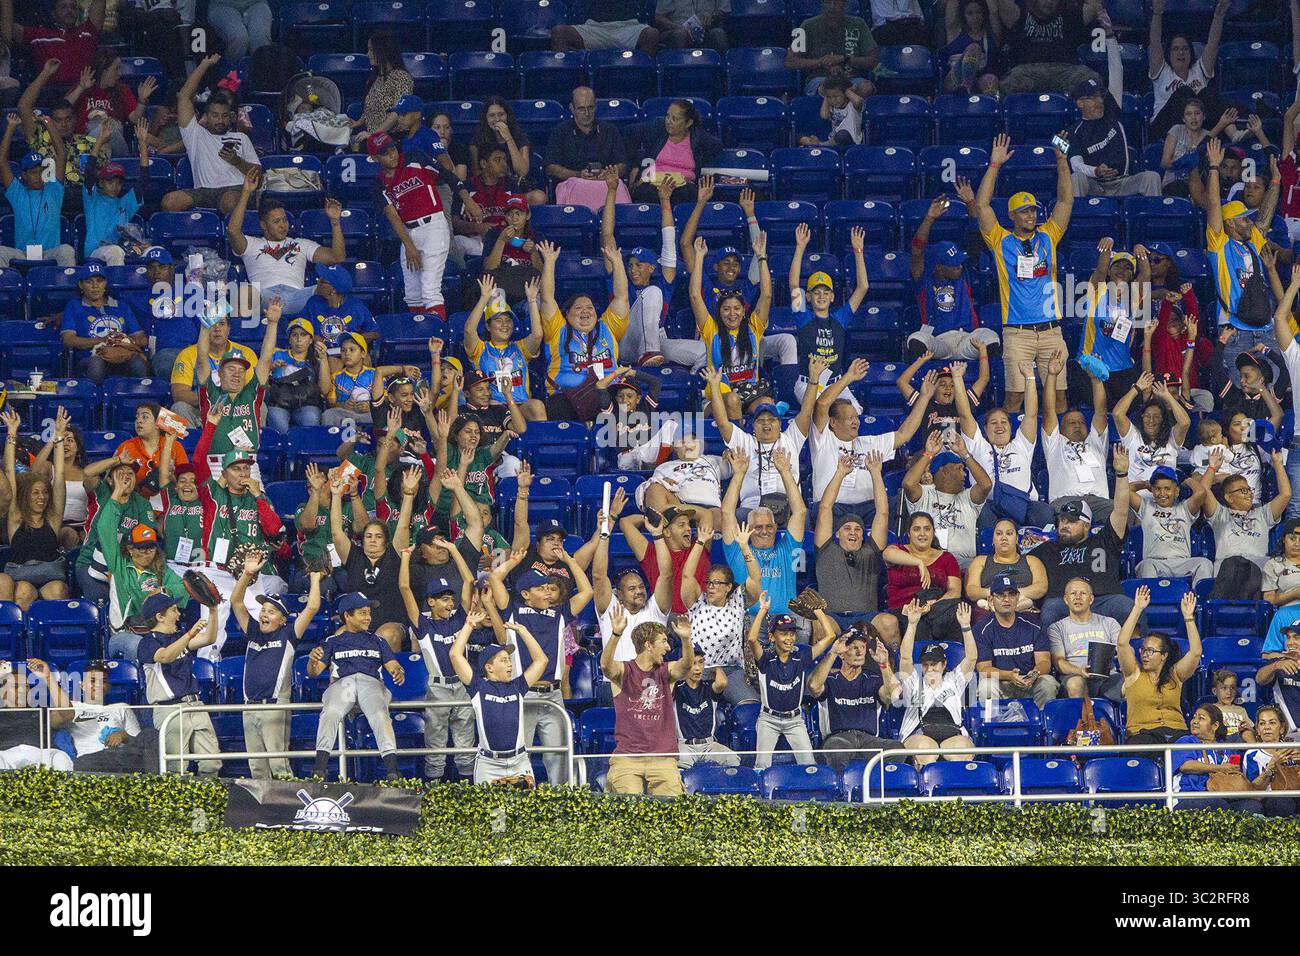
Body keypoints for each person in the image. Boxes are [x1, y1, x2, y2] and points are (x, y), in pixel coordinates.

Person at [975, 133, 1073, 412]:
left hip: (1052, 331)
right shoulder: (1000, 240)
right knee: (1015, 398)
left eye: (1032, 211)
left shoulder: (1048, 236)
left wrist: (1062, 161)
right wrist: (994, 166)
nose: (1031, 216)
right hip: (1017, 334)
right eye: (1023, 212)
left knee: (1060, 399)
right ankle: (1013, 454)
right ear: (1012, 217)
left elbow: (1065, 203)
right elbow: (982, 206)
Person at [489, 546, 594, 785]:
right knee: (516, 757)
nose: (548, 593)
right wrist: (513, 562)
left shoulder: (559, 613)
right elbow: (495, 577)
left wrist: (569, 560)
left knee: (558, 759)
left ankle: (557, 806)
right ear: (526, 594)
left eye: (549, 588)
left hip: (552, 695)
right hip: (522, 694)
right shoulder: (512, 610)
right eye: (541, 589)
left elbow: (587, 591)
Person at [231, 558, 324, 780]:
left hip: (274, 706)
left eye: (272, 612)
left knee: (279, 765)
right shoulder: (253, 631)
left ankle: (283, 813)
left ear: (283, 620)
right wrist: (246, 574)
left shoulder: (288, 635)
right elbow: (236, 602)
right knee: (256, 767)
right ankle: (261, 813)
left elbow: (312, 608)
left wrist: (314, 579)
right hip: (249, 707)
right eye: (263, 610)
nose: (264, 614)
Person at [398, 545, 479, 781]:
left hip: (463, 686)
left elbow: (469, 580)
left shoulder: (460, 619)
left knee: (465, 748)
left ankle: (466, 797)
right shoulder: (423, 625)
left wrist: (454, 549)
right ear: (430, 602)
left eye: (450, 599)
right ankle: (434, 796)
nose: (450, 604)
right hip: (438, 689)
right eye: (444, 600)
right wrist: (405, 558)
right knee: (435, 749)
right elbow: (404, 588)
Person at [1033, 443, 1132, 631]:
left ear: (1086, 525)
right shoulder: (1046, 550)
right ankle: (1051, 659)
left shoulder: (1104, 541)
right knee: (1051, 608)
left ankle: (1128, 656)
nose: (1064, 525)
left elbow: (1120, 511)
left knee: (1125, 605)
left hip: (1102, 600)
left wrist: (1121, 475)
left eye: (1071, 521)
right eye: (1061, 521)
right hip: (1064, 603)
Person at [94, 462, 188, 660]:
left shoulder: (161, 568)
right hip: (126, 635)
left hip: (158, 636)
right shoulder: (120, 566)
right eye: (141, 548)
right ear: (130, 549)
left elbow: (182, 591)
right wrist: (116, 495)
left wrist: (164, 593)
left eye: (151, 547)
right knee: (146, 647)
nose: (147, 552)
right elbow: (105, 528)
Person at [309, 592, 407, 780]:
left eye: (369, 613)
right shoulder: (332, 641)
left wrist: (398, 670)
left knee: (379, 714)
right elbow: (315, 671)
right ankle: (319, 769)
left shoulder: (378, 640)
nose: (368, 618)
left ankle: (392, 771)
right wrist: (312, 662)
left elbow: (392, 664)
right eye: (362, 613)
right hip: (343, 683)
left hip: (370, 682)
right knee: (330, 712)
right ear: (348, 615)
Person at [449, 608, 549, 785]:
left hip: (520, 761)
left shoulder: (518, 686)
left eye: (509, 660)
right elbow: (455, 654)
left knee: (527, 812)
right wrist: (469, 625)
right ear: (489, 667)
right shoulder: (478, 686)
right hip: (488, 763)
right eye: (503, 660)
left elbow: (541, 660)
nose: (510, 664)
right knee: (489, 813)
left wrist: (523, 632)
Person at [228, 170, 347, 316]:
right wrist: (246, 192)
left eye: (284, 219)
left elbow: (337, 258)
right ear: (264, 225)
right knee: (245, 291)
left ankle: (329, 333)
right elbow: (233, 230)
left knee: (331, 287)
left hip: (298, 296)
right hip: (265, 295)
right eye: (276, 221)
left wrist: (335, 221)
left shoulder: (302, 244)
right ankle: (243, 336)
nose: (283, 225)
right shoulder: (251, 244)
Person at [537, 238, 631, 420]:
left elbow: (622, 298)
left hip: (609, 394)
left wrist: (618, 263)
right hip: (566, 397)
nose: (585, 311)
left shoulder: (608, 326)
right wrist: (549, 263)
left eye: (589, 308)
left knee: (626, 402)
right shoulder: (558, 329)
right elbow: (547, 298)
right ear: (566, 314)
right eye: (578, 308)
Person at [603, 613, 696, 795]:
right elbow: (606, 667)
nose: (668, 647)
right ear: (648, 645)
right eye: (663, 641)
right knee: (628, 808)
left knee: (673, 811)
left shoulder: (665, 671)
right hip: (627, 759)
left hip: (663, 757)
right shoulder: (624, 671)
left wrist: (686, 640)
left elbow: (686, 666)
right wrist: (615, 635)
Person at [814, 450, 899, 643]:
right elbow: (825, 508)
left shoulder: (871, 550)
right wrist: (840, 473)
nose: (853, 532)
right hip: (833, 616)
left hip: (867, 616)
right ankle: (825, 672)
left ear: (863, 534)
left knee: (890, 622)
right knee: (820, 624)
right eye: (847, 528)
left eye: (858, 529)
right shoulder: (826, 549)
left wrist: (876, 473)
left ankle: (892, 670)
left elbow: (882, 514)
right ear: (837, 533)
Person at [1205, 136, 1272, 376]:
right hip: (1235, 330)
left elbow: (1264, 217)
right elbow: (1213, 204)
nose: (1249, 221)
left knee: (1271, 387)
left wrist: (1275, 182)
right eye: (1244, 218)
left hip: (1265, 328)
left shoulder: (1252, 242)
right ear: (1230, 223)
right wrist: (1214, 167)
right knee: (1239, 389)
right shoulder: (1220, 246)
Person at [161, 56, 259, 215]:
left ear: (231, 117)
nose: (220, 120)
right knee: (169, 201)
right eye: (215, 115)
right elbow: (184, 96)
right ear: (205, 116)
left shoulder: (242, 138)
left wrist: (237, 161)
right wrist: (204, 64)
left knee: (230, 202)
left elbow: (258, 175)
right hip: (204, 192)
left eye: (224, 116)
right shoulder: (195, 134)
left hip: (235, 189)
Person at [136, 592, 221, 775]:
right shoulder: (147, 642)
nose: (179, 615)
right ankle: (180, 804)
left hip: (195, 704)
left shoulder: (179, 637)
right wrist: (190, 634)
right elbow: (165, 656)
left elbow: (209, 638)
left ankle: (206, 802)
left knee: (212, 762)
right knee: (175, 770)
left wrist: (213, 610)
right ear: (160, 616)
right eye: (173, 610)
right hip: (169, 709)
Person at [747, 594, 835, 771]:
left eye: (792, 633)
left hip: (795, 720)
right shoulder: (766, 658)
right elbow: (751, 639)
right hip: (768, 719)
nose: (789, 638)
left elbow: (830, 636)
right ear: (772, 637)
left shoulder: (800, 656)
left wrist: (818, 612)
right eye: (784, 633)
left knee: (810, 766)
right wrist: (763, 610)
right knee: (761, 767)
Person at [721, 447, 807, 625]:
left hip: (787, 620)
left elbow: (800, 512)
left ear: (776, 527)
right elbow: (727, 513)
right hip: (748, 620)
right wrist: (738, 475)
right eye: (758, 527)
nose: (765, 530)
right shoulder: (737, 548)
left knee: (805, 624)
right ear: (749, 528)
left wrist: (785, 471)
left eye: (769, 526)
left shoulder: (787, 548)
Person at [681, 521, 761, 707]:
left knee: (750, 705)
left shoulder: (738, 601)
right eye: (709, 582)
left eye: (717, 583)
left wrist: (744, 547)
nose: (711, 587)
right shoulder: (696, 602)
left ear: (727, 587)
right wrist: (700, 542)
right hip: (699, 669)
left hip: (732, 670)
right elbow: (687, 576)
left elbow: (756, 578)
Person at [909, 199, 1001, 360]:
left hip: (967, 338)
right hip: (939, 341)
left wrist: (971, 202)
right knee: (916, 339)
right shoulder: (925, 280)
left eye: (959, 263)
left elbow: (975, 236)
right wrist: (929, 219)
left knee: (991, 337)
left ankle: (990, 377)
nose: (959, 266)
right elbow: (917, 250)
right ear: (939, 267)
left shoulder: (964, 274)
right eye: (953, 265)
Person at [31, 657, 158, 773]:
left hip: (124, 756)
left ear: (108, 686)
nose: (98, 685)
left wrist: (123, 735)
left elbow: (140, 742)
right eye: (93, 680)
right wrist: (48, 678)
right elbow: (65, 713)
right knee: (86, 763)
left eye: (103, 681)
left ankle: (157, 785)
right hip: (92, 761)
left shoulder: (121, 707)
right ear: (82, 686)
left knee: (150, 734)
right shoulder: (74, 706)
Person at [0, 407, 69, 611]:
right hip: (21, 575)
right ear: (25, 497)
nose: (42, 497)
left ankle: (56, 639)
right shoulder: (15, 517)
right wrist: (11, 434)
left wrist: (58, 437)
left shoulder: (53, 518)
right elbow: (10, 471)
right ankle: (24, 640)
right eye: (36, 493)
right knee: (22, 592)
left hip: (52, 576)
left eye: (44, 493)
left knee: (58, 591)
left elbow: (59, 477)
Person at [895, 599, 978, 767]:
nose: (930, 668)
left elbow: (971, 658)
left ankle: (957, 791)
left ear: (944, 664)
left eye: (934, 664)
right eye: (926, 664)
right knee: (927, 751)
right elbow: (905, 657)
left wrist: (966, 627)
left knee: (961, 752)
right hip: (918, 733)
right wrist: (912, 624)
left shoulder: (954, 679)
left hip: (952, 732)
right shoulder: (914, 681)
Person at [1117, 586, 1202, 745]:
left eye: (1150, 651)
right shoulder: (1133, 673)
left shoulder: (1175, 674)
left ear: (1164, 655)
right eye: (1143, 650)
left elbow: (1196, 652)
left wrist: (1188, 618)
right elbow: (1122, 644)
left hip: (1177, 733)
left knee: (1190, 748)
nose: (1144, 654)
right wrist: (1137, 609)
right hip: (1143, 735)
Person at [810, 623, 900, 773]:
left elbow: (891, 695)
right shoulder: (831, 679)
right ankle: (841, 792)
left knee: (896, 749)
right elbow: (813, 686)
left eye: (862, 647)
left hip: (869, 740)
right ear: (842, 652)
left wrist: (884, 665)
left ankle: (876, 787)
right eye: (853, 647)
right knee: (836, 749)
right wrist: (832, 653)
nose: (859, 652)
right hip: (840, 738)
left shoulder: (873, 679)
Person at [1201, 448, 1290, 597]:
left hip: (1257, 564)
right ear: (1229, 497)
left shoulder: (1262, 514)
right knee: (1229, 565)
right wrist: (1212, 468)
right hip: (1227, 565)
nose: (1249, 493)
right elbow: (1203, 490)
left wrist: (1277, 464)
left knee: (1272, 566)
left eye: (1249, 490)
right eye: (1243, 491)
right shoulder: (1220, 514)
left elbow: (1286, 494)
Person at [902, 430, 992, 570]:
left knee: (979, 567)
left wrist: (965, 454)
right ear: (943, 471)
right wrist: (929, 454)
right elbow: (908, 483)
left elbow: (986, 485)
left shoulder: (968, 497)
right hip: (929, 560)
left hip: (963, 564)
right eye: (959, 468)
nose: (964, 473)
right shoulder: (925, 493)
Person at [789, 223, 869, 378]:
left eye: (826, 292)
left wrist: (858, 251)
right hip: (807, 382)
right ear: (808, 297)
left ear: (832, 297)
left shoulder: (840, 318)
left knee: (851, 404)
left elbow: (863, 287)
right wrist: (800, 247)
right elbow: (793, 284)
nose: (821, 296)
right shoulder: (803, 317)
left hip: (836, 383)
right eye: (816, 292)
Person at [1041, 355, 1112, 520]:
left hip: (1099, 503)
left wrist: (1096, 379)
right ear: (1061, 428)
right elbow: (1049, 410)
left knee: (1125, 513)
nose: (1078, 425)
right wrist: (1052, 376)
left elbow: (1101, 410)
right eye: (1071, 423)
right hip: (1066, 501)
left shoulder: (1096, 442)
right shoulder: (1055, 444)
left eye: (1081, 422)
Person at [0, 114, 75, 267]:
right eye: (34, 172)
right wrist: (11, 127)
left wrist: (48, 123)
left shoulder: (54, 190)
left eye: (42, 171)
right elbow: (2, 160)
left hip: (49, 253)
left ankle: (66, 291)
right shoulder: (17, 193)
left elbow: (61, 154)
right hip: (22, 253)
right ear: (24, 175)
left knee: (66, 250)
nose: (39, 176)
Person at [1067, 79, 1162, 198]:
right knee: (1077, 178)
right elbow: (1075, 164)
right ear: (1080, 103)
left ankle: (1155, 216)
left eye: (1101, 96)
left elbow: (1116, 71)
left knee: (1151, 177)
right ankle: (1079, 216)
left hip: (1123, 182)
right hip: (1096, 185)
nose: (1100, 101)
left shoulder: (1112, 115)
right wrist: (1096, 171)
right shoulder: (1073, 132)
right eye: (1093, 97)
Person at [974, 574, 1058, 707]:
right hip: (1002, 682)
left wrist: (1035, 673)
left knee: (1048, 682)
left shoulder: (1034, 624)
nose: (1007, 599)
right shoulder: (982, 628)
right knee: (986, 685)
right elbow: (984, 669)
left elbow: (1044, 662)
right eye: (1000, 595)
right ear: (990, 599)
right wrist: (1009, 676)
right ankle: (992, 725)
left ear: (1018, 597)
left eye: (1011, 594)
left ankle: (1045, 726)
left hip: (1030, 682)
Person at [1147, 0, 1228, 136]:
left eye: (1185, 49)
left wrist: (1219, 16)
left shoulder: (1198, 71)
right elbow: (1154, 42)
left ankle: (1234, 132)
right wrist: (1157, 13)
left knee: (1207, 92)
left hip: (1198, 127)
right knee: (1184, 92)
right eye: (1176, 49)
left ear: (1191, 53)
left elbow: (1212, 44)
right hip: (1164, 128)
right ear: (1169, 54)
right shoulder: (1162, 71)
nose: (1181, 53)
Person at [59, 262, 149, 383]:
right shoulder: (74, 306)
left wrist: (121, 340)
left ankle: (138, 400)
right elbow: (68, 339)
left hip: (121, 355)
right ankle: (95, 401)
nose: (95, 286)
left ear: (105, 283)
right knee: (97, 364)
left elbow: (141, 338)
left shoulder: (121, 306)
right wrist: (102, 340)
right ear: (81, 285)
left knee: (138, 363)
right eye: (89, 282)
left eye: (99, 281)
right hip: (90, 357)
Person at [883, 510, 964, 643]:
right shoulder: (899, 550)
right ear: (909, 533)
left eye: (927, 529)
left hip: (936, 610)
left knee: (957, 611)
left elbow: (955, 591)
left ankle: (956, 659)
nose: (922, 534)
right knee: (919, 626)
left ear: (933, 532)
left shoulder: (947, 558)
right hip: (904, 610)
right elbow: (887, 554)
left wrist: (933, 606)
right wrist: (918, 563)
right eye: (916, 529)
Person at [546, 86, 629, 210]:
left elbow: (623, 164)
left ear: (596, 106)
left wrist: (608, 173)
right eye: (581, 109)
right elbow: (551, 167)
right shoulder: (560, 131)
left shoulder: (610, 130)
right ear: (572, 108)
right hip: (574, 183)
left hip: (606, 182)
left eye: (590, 108)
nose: (587, 113)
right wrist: (578, 174)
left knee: (620, 185)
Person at [1170, 703, 1264, 813]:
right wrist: (1220, 768)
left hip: (1223, 797)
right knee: (1217, 804)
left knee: (1252, 806)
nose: (1195, 721)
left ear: (1215, 725)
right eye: (1194, 717)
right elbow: (1186, 766)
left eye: (1201, 718)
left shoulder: (1225, 746)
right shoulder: (1186, 741)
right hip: (1189, 797)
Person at [81, 121, 150, 266]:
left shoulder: (125, 202)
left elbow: (143, 180)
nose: (115, 186)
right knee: (115, 251)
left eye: (118, 183)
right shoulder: (92, 199)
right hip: (94, 252)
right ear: (101, 183)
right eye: (110, 182)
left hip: (118, 250)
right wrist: (100, 140)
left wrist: (143, 143)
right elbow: (89, 172)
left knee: (151, 251)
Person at [1129, 465, 1213, 585]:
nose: (1162, 493)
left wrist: (1185, 479)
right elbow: (1126, 490)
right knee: (1146, 565)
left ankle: (1196, 602)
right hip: (1155, 562)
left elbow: (1201, 492)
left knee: (1205, 563)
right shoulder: (1146, 507)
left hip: (1182, 562)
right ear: (1152, 490)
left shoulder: (1184, 509)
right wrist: (1145, 484)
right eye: (1157, 489)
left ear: (1177, 491)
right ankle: (1150, 603)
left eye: (1167, 489)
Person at [168, 314, 257, 427]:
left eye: (222, 323)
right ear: (204, 329)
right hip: (200, 411)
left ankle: (251, 444)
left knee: (260, 406)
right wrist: (210, 399)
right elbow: (179, 394)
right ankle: (193, 444)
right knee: (178, 407)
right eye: (211, 324)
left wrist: (227, 403)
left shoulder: (246, 353)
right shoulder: (187, 354)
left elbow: (253, 391)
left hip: (236, 412)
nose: (217, 328)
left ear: (228, 329)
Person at [995, 0, 1100, 95]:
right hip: (1028, 71)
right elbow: (1004, 4)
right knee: (1008, 83)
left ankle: (1070, 109)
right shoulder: (1019, 13)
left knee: (1092, 79)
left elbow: (1093, 5)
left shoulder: (1070, 14)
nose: (1050, 2)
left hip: (1065, 70)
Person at [627, 99, 721, 205]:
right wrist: (634, 165)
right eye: (667, 116)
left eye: (674, 119)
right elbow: (627, 134)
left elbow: (717, 147)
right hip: (653, 184)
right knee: (644, 191)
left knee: (690, 193)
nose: (668, 121)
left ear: (688, 123)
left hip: (683, 188)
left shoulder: (698, 138)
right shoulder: (657, 127)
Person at [64, 48, 153, 156]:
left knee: (112, 127)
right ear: (104, 71)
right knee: (105, 127)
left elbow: (135, 119)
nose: (119, 74)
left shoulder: (122, 90)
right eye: (116, 69)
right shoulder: (83, 88)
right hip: (84, 145)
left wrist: (142, 101)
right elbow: (62, 108)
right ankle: (126, 162)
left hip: (112, 145)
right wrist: (80, 88)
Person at [1048, 576, 1123, 702]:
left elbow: (1124, 650)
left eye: (1083, 593)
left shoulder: (1109, 623)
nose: (1078, 597)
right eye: (1073, 593)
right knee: (1075, 684)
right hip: (1074, 675)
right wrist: (1080, 671)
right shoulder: (1057, 628)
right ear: (1066, 599)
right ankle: (1084, 721)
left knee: (1130, 683)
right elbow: (1059, 662)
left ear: (1091, 599)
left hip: (1108, 675)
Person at [0, 0, 103, 89]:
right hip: (49, 94)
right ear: (53, 13)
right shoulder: (38, 35)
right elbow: (7, 28)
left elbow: (100, 3)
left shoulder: (87, 33)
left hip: (83, 91)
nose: (69, 10)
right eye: (64, 7)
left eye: (73, 7)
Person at [785, 0, 878, 97]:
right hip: (820, 79)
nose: (832, 7)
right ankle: (847, 97)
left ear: (845, 4)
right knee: (828, 87)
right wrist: (820, 62)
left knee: (866, 88)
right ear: (822, 3)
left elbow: (873, 61)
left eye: (836, 2)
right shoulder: (806, 25)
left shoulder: (859, 24)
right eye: (828, 2)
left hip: (852, 78)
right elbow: (790, 61)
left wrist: (845, 59)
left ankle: (845, 98)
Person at [1112, 372, 1190, 488]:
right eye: (1147, 416)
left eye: (1157, 416)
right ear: (1141, 417)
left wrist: (1167, 396)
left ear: (1163, 420)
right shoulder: (1133, 436)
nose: (1151, 420)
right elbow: (1117, 413)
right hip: (1136, 499)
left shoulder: (1171, 439)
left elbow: (1185, 423)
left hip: (1165, 499)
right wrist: (1137, 388)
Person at [469, 98, 546, 208]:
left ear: (507, 116)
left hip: (516, 189)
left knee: (539, 197)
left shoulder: (520, 138)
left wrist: (508, 137)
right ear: (485, 119)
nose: (497, 119)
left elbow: (522, 171)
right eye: (492, 116)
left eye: (501, 114)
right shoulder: (477, 141)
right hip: (489, 191)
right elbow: (476, 173)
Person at [674, 645, 740, 769]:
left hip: (709, 744)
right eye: (692, 663)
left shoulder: (707, 687)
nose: (698, 668)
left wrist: (716, 667)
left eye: (701, 662)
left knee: (732, 759)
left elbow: (722, 682)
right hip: (685, 746)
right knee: (679, 764)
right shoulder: (677, 688)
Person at [965, 517, 1049, 611]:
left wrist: (1011, 594)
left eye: (1009, 533)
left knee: (1026, 603)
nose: (1004, 538)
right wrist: (997, 594)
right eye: (999, 533)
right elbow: (971, 591)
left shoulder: (1032, 561)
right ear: (993, 539)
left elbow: (1041, 588)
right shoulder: (980, 561)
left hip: (1023, 609)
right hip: (989, 610)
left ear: (1017, 539)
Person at [1272, 266, 1300, 518]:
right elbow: (1280, 318)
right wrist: (1295, 284)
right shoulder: (1297, 356)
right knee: (1295, 513)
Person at [352, 32, 413, 147]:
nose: (368, 54)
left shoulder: (401, 77)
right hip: (374, 140)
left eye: (371, 50)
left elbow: (398, 112)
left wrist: (374, 135)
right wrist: (358, 122)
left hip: (392, 142)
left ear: (383, 51)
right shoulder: (375, 78)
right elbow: (372, 107)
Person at [1243, 704, 1300, 816]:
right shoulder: (1252, 754)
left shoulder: (1295, 749)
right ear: (1258, 730)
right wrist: (1271, 767)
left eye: (1272, 722)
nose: (1267, 727)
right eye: (1262, 723)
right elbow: (1254, 789)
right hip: (1271, 798)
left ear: (1282, 728)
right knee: (1281, 801)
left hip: (1297, 793)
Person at [550, 0, 660, 55]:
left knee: (651, 34)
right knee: (559, 32)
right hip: (594, 28)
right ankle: (573, 83)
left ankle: (642, 82)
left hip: (628, 26)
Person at [940, 0, 1002, 94]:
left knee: (991, 81)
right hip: (955, 80)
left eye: (978, 12)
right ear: (963, 15)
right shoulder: (955, 31)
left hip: (981, 78)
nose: (975, 17)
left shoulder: (992, 35)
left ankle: (989, 106)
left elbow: (993, 12)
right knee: (974, 48)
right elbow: (952, 6)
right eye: (970, 13)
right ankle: (965, 88)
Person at [796, 74, 864, 147]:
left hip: (850, 142)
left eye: (836, 96)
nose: (833, 100)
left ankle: (819, 145)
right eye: (829, 97)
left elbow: (858, 101)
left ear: (845, 94)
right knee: (800, 136)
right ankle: (817, 144)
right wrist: (826, 95)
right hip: (833, 141)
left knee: (842, 135)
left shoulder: (853, 106)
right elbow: (824, 116)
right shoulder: (832, 106)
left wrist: (846, 90)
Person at [207, 0, 272, 60]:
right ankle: (232, 69)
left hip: (256, 3)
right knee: (239, 37)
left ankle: (262, 70)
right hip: (222, 5)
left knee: (260, 36)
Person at [655, 0, 730, 50]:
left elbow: (724, 11)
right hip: (678, 29)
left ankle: (720, 72)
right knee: (680, 35)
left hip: (707, 29)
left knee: (718, 34)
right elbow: (659, 17)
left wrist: (713, 16)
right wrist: (676, 27)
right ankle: (678, 72)